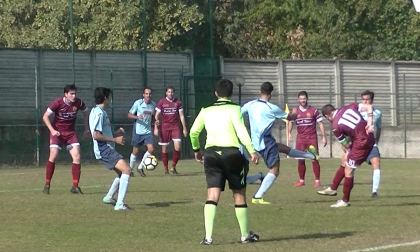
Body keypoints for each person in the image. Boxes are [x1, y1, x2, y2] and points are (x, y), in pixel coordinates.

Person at [189, 79, 260, 245]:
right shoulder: (235, 109)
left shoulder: (205, 110)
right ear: (231, 94)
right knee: (239, 194)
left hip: (212, 154)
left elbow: (193, 131)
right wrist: (251, 150)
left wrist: (197, 150)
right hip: (232, 154)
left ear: (216, 93)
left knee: (212, 195)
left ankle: (208, 238)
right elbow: (241, 131)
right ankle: (245, 235)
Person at [241, 82, 318, 205]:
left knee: (282, 148)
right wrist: (294, 113)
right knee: (274, 171)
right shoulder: (272, 108)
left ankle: (311, 156)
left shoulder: (251, 104)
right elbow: (290, 118)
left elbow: (239, 113)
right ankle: (257, 196)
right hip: (265, 141)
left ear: (260, 91)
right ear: (271, 93)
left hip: (253, 140)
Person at [317, 102, 377, 207]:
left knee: (349, 170)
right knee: (345, 160)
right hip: (368, 137)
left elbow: (345, 143)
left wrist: (349, 150)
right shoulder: (350, 106)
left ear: (327, 116)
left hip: (361, 142)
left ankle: (345, 200)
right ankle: (333, 188)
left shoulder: (335, 126)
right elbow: (369, 107)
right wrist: (369, 123)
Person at [42, 84, 90, 195]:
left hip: (70, 133)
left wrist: (87, 129)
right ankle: (47, 184)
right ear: (66, 94)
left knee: (77, 156)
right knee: (53, 155)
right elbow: (45, 117)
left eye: (75, 93)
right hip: (57, 133)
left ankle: (75, 186)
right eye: (71, 94)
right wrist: (52, 130)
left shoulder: (79, 103)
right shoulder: (57, 103)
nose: (74, 96)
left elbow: (86, 114)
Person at [89, 87, 131, 211]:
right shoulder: (98, 113)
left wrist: (115, 133)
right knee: (127, 170)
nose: (110, 99)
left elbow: (103, 132)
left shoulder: (100, 112)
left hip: (106, 147)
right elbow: (96, 135)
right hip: (104, 149)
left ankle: (108, 197)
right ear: (106, 97)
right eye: (110, 97)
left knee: (121, 172)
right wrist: (115, 140)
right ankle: (119, 204)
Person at [341, 90, 382, 197]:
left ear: (372, 100)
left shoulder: (377, 113)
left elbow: (379, 128)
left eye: (367, 99)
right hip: (357, 143)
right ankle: (342, 189)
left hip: (370, 143)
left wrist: (376, 139)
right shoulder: (356, 112)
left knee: (376, 163)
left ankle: (374, 191)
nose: (364, 101)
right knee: (348, 165)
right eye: (363, 99)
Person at [288, 91, 327, 188]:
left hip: (311, 139)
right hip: (300, 139)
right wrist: (289, 133)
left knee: (314, 159)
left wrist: (324, 136)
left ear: (307, 99)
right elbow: (291, 122)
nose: (302, 100)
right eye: (301, 99)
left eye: (304, 99)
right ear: (298, 99)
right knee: (300, 160)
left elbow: (320, 124)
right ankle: (301, 181)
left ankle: (317, 181)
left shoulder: (313, 110)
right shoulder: (295, 111)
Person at [154, 86, 188, 174]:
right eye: (169, 92)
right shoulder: (162, 102)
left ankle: (173, 167)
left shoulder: (178, 102)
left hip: (175, 127)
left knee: (178, 147)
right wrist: (156, 126)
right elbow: (156, 115)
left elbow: (181, 115)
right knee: (164, 148)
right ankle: (166, 169)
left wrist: (184, 128)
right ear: (166, 93)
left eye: (172, 92)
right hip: (164, 127)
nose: (170, 93)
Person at [127, 87, 156, 177]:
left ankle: (140, 167)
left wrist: (156, 122)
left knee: (151, 149)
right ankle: (130, 170)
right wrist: (137, 117)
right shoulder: (138, 103)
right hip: (138, 131)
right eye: (146, 94)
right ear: (143, 95)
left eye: (150, 94)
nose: (148, 95)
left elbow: (154, 117)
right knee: (135, 151)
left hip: (147, 131)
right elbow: (129, 115)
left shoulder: (153, 105)